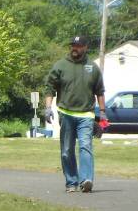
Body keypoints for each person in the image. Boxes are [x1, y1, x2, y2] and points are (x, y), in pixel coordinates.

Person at [44, 35, 106, 193]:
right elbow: (49, 88)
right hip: (66, 114)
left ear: (85, 48)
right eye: (73, 45)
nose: (75, 48)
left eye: (78, 46)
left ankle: (86, 180)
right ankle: (71, 182)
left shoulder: (92, 67)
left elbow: (100, 91)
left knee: (85, 146)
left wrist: (103, 112)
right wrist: (48, 107)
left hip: (86, 115)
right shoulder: (60, 66)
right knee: (66, 151)